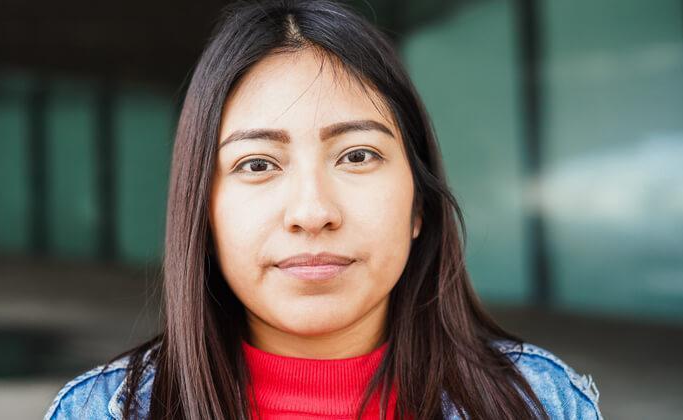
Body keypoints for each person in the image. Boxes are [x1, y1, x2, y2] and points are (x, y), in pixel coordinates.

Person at [44, 0, 602, 418]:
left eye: (357, 155)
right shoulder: (102, 412)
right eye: (258, 164)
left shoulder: (543, 404)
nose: (312, 212)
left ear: (419, 207)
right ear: (202, 214)